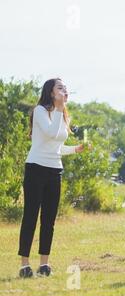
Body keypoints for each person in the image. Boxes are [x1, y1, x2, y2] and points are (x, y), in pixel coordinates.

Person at [18, 78, 89, 278]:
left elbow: (56, 145)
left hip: (54, 170)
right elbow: (50, 133)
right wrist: (59, 108)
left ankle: (44, 264)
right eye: (60, 87)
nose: (64, 90)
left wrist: (75, 149)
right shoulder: (41, 111)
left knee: (48, 220)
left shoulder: (63, 115)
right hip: (35, 168)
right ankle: (24, 265)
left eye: (65, 88)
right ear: (51, 92)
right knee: (31, 216)